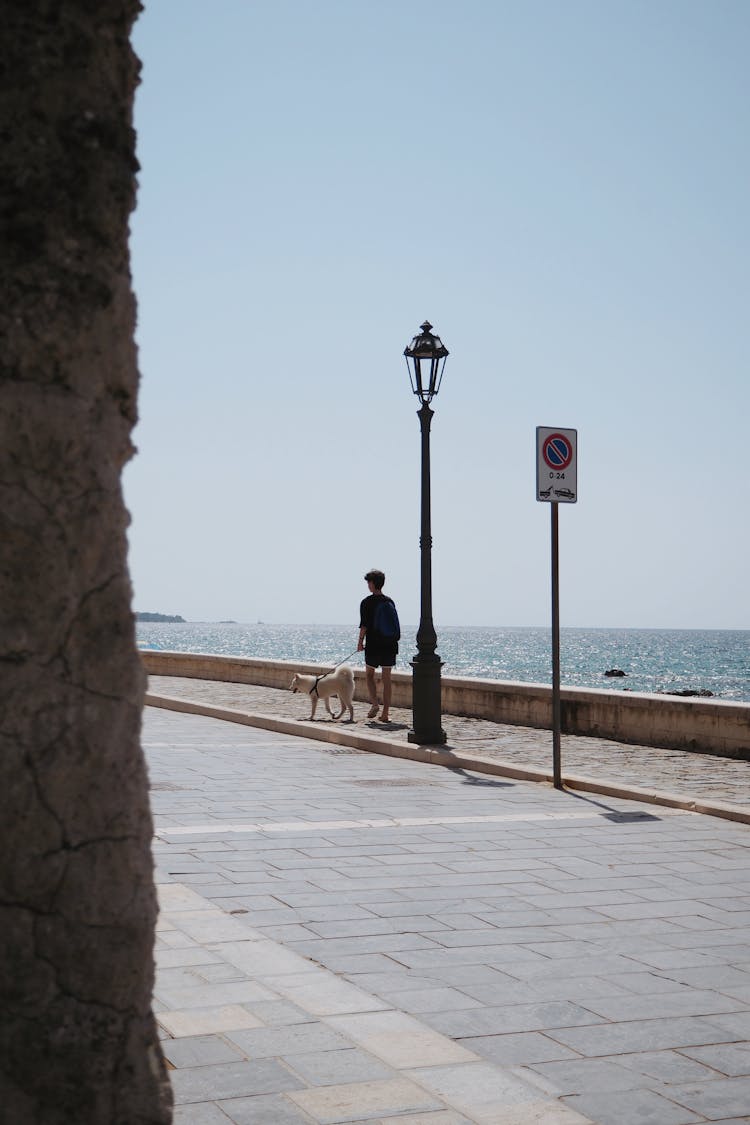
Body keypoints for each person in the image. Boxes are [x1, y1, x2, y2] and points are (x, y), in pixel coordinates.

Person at [357, 568, 399, 723]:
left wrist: (360, 642)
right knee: (387, 679)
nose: (368, 585)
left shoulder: (367, 602)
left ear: (372, 584)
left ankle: (375, 704)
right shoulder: (389, 601)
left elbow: (364, 625)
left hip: (374, 644)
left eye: (369, 582)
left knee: (369, 675)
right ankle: (386, 713)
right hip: (389, 644)